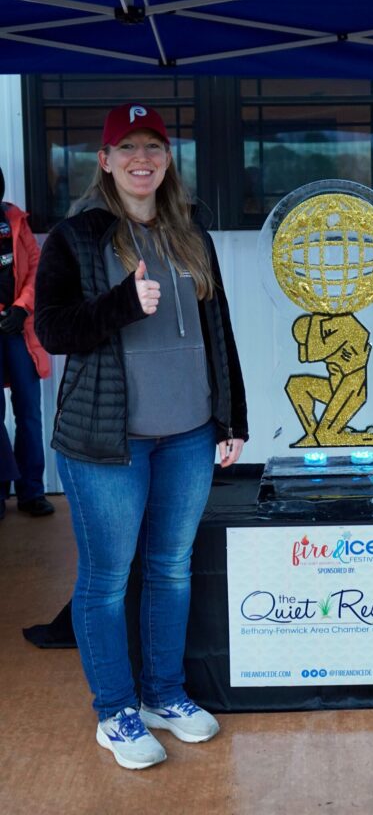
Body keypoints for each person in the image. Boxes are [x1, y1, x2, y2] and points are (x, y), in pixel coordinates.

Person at [34, 103, 248, 770]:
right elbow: (53, 330)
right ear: (103, 161)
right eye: (126, 148)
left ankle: (163, 695)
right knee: (105, 579)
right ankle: (115, 712)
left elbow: (220, 331)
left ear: (166, 160)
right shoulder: (76, 237)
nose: (141, 159)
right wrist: (123, 303)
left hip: (186, 435)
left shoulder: (190, 232)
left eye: (152, 146)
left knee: (170, 570)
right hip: (107, 442)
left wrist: (231, 415)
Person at [0, 166, 52, 519]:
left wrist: (22, 308)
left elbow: (36, 266)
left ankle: (31, 491)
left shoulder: (14, 220)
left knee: (29, 413)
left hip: (17, 328)